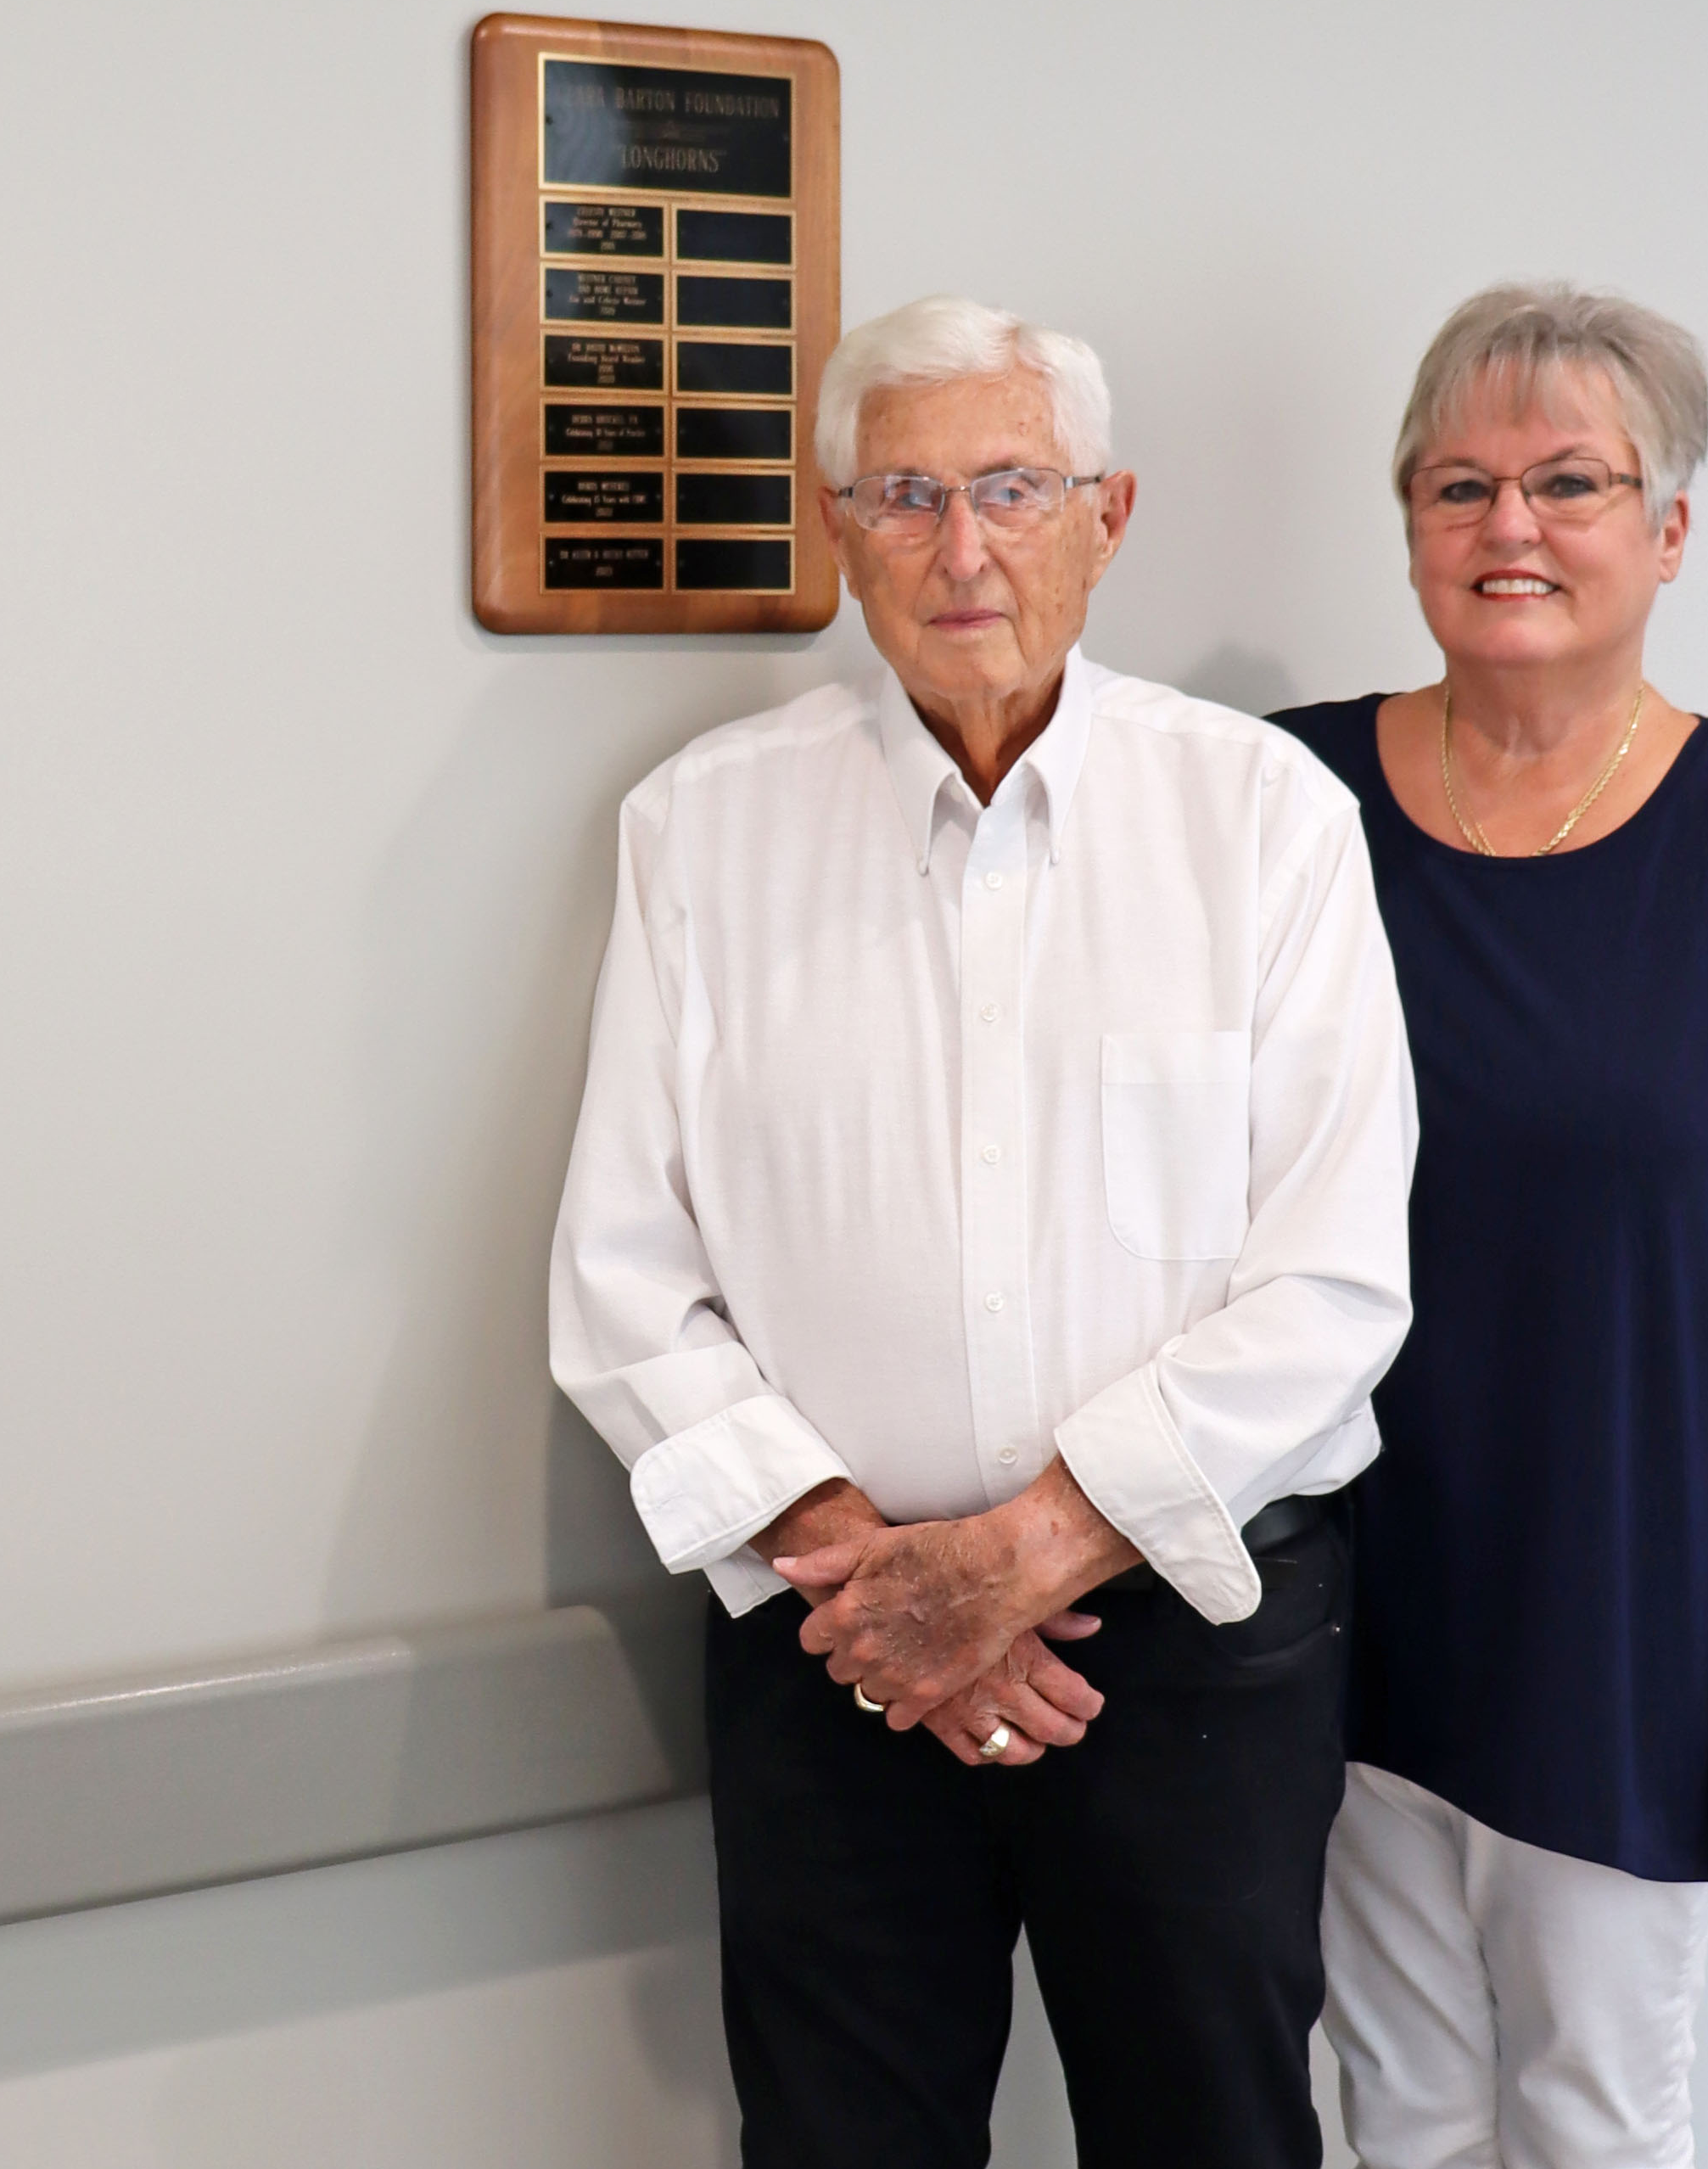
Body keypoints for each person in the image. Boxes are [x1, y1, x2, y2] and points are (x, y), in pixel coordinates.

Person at [549, 295, 1417, 2169]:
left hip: (1193, 1642)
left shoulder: (1260, 819)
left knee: (1216, 2138)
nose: (961, 547)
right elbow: (624, 1278)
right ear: (837, 527)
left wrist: (1018, 1558)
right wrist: (870, 1579)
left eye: (1011, 488)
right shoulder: (703, 831)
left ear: (1106, 516)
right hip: (831, 1649)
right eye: (907, 494)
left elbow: (1333, 1275)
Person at [1274, 283, 1708, 2169]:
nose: (1509, 528)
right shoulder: (1285, 800)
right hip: (1327, 1610)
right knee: (1391, 2118)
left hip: (1626, 1625)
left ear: (1666, 530)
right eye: (1457, 483)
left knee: (1592, 2125)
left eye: (1570, 481)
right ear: (1406, 521)